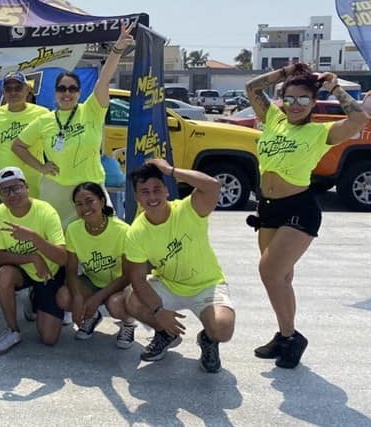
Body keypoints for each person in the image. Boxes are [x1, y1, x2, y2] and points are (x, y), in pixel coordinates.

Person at [245, 63, 369, 369]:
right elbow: (252, 87)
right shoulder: (273, 118)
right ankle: (285, 335)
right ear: (282, 100)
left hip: (300, 208)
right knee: (281, 277)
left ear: (313, 103)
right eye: (290, 98)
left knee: (270, 272)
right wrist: (287, 72)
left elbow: (359, 119)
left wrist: (335, 87)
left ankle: (291, 337)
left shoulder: (320, 132)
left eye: (303, 99)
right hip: (269, 209)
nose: (295, 105)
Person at [12, 24, 135, 228]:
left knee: (104, 234)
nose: (66, 93)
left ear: (79, 92)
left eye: (72, 89)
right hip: (56, 191)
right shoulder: (45, 120)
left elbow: (104, 81)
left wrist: (117, 49)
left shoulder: (91, 110)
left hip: (92, 188)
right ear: (55, 93)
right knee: (60, 243)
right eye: (62, 89)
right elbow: (18, 146)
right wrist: (40, 166)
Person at [124, 160, 235, 374]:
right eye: (145, 192)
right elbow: (137, 279)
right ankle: (165, 333)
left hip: (207, 284)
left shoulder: (189, 209)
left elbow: (212, 186)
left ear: (167, 190)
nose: (152, 197)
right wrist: (158, 312)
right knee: (132, 299)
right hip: (169, 284)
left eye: (157, 189)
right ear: (138, 198)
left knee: (222, 329)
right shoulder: (136, 232)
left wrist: (171, 171)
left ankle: (208, 340)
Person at [0, 167, 68, 355]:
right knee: (4, 275)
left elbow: (62, 257)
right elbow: (0, 257)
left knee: (49, 338)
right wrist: (33, 257)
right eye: (5, 190)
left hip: (50, 273)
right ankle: (12, 330)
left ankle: (35, 298)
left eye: (16, 188)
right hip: (22, 270)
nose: (12, 194)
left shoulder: (46, 211)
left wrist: (34, 237)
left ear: (27, 188)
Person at [55, 182, 136, 347]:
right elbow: (70, 270)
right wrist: (78, 298)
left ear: (102, 201)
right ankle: (92, 316)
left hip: (120, 284)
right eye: (79, 204)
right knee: (64, 297)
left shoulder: (123, 230)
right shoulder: (73, 229)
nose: (85, 207)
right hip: (92, 281)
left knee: (115, 305)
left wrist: (97, 298)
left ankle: (128, 323)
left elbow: (128, 275)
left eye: (90, 201)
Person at [0, 71, 48, 202]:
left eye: (18, 88)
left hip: (33, 188)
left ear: (27, 90)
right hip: (2, 188)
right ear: (3, 92)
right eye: (8, 89)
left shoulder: (42, 114)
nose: (13, 93)